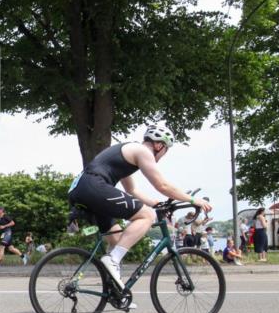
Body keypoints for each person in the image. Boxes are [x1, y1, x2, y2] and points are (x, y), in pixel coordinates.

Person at [66, 124, 212, 289]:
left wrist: (156, 203)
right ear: (159, 145)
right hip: (93, 186)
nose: (164, 154)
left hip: (80, 189)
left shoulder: (127, 152)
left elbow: (131, 190)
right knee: (147, 215)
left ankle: (113, 289)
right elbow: (162, 185)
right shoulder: (143, 151)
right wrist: (193, 200)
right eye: (166, 149)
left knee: (116, 239)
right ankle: (112, 260)